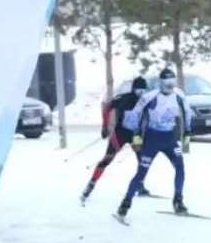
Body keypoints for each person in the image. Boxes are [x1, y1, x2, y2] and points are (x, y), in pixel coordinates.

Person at [116, 67, 195, 220]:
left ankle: (178, 200)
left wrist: (187, 132)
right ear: (161, 83)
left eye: (172, 83)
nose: (170, 87)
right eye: (166, 84)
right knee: (142, 172)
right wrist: (136, 136)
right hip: (152, 138)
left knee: (180, 167)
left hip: (170, 138)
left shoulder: (179, 95)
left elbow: (187, 112)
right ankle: (125, 204)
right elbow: (135, 115)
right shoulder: (150, 97)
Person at [82, 76, 153, 204]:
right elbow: (107, 107)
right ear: (133, 89)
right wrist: (105, 126)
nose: (141, 92)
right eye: (139, 89)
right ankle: (91, 185)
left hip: (136, 135)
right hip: (120, 133)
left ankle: (140, 185)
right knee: (107, 159)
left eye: (144, 90)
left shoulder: (146, 100)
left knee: (142, 160)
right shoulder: (123, 98)